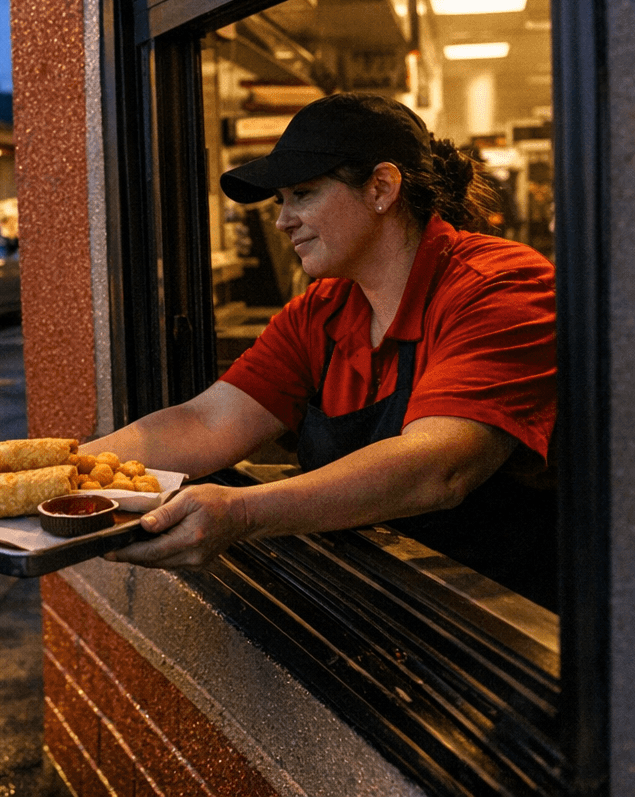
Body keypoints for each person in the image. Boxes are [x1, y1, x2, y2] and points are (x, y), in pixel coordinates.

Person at [91, 93, 557, 604]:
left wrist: (243, 512)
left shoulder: (500, 285)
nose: (282, 220)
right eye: (280, 200)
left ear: (381, 188)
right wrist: (61, 469)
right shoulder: (324, 309)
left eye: (303, 194)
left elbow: (439, 469)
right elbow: (205, 422)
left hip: (502, 619)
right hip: (379, 600)